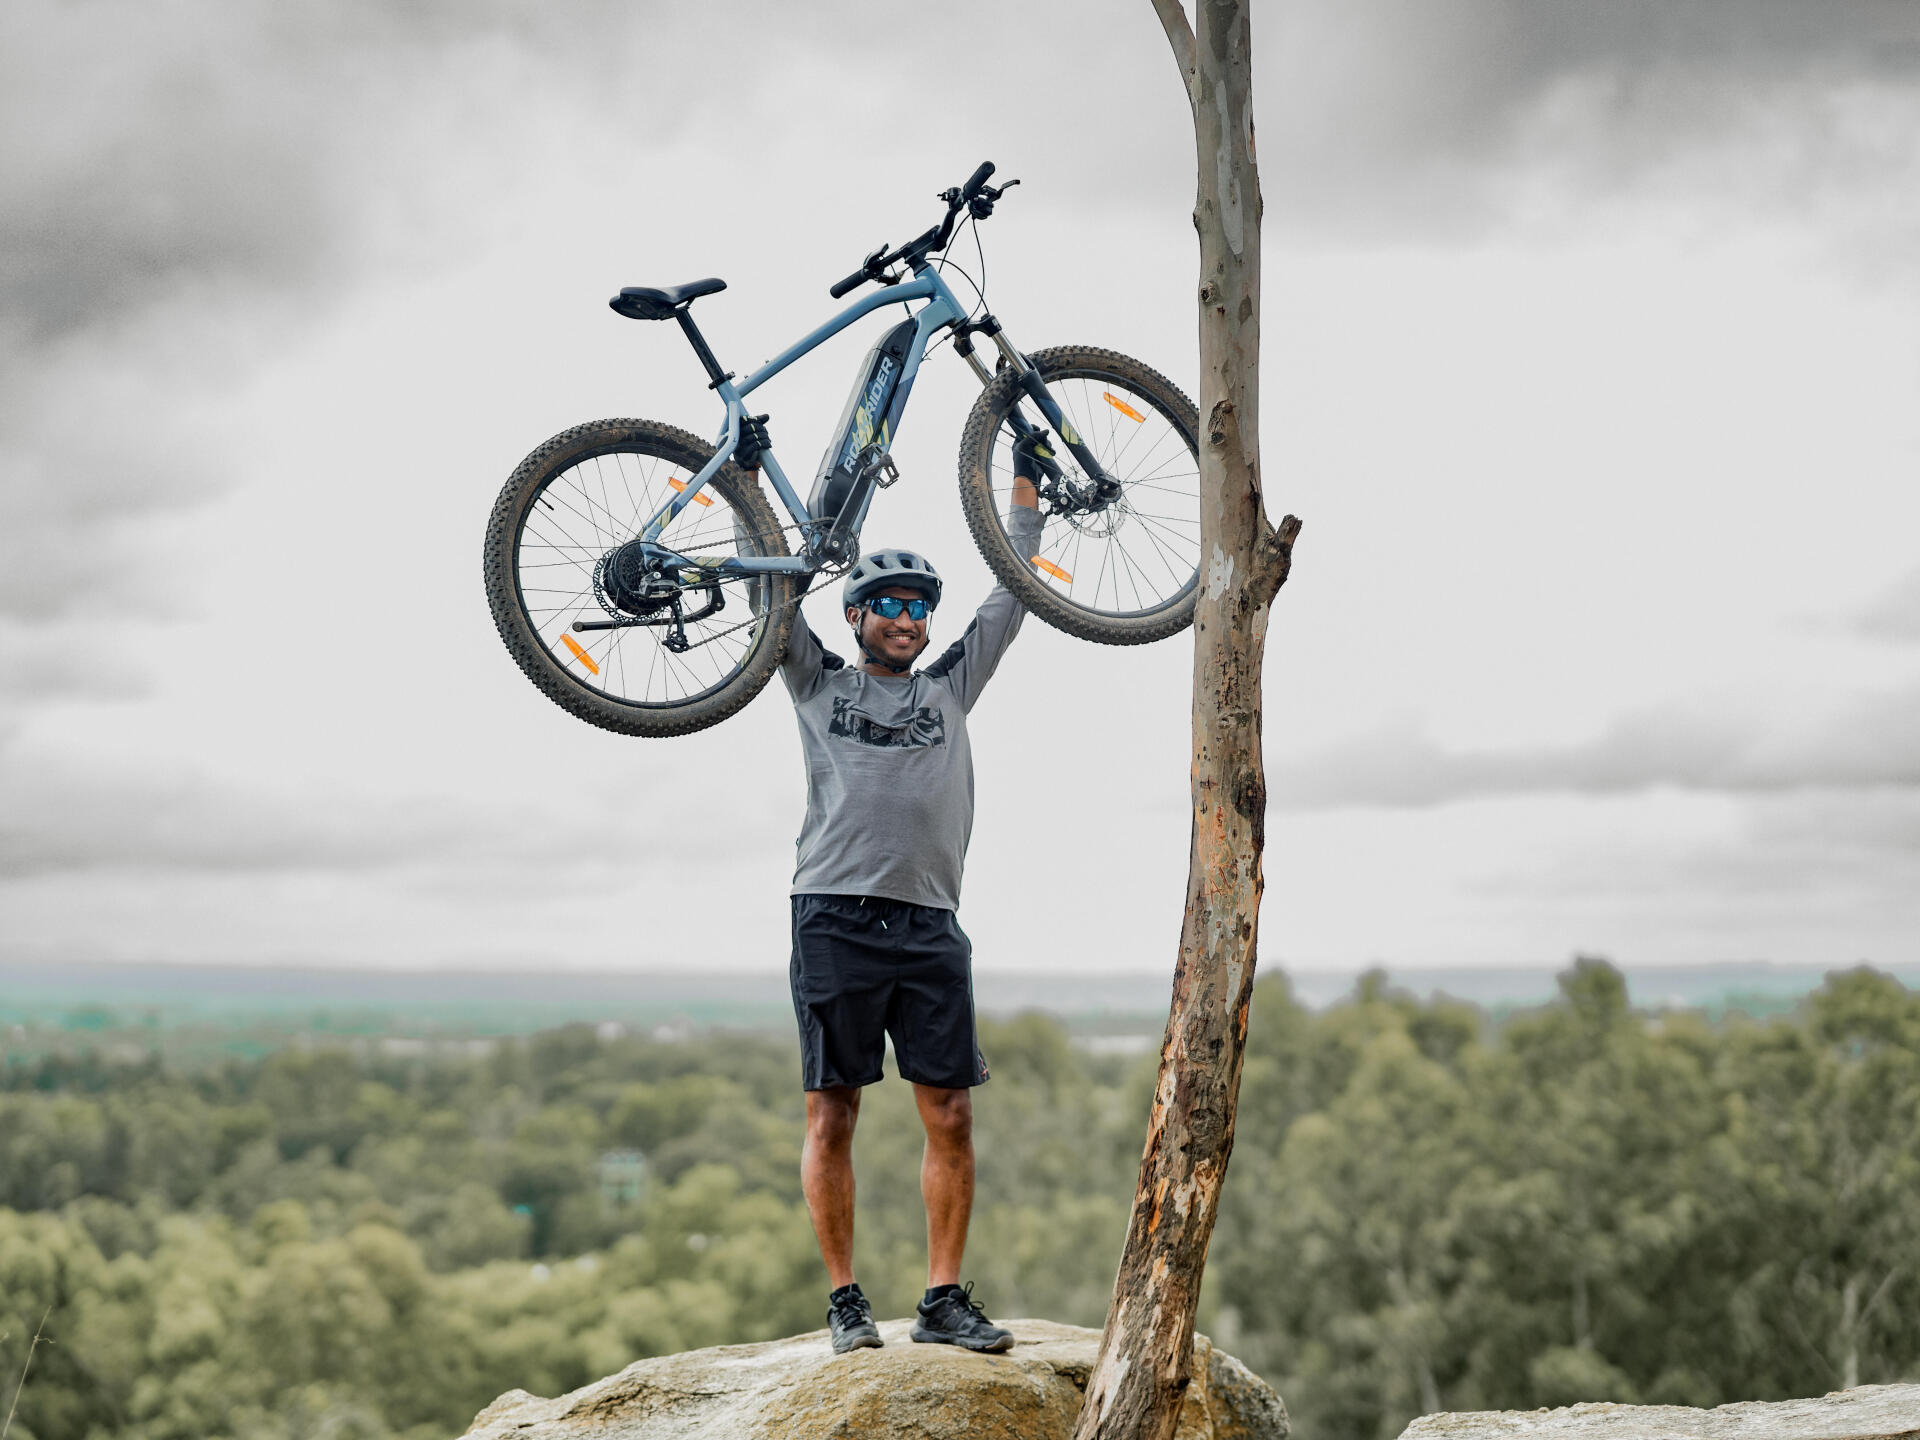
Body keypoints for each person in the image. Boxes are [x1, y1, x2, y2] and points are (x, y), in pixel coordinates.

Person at [778, 477, 1042, 1355]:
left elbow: (1013, 593)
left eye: (919, 604)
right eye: (887, 603)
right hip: (833, 915)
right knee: (833, 1112)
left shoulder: (948, 691)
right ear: (856, 617)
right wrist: (748, 480)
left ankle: (940, 1302)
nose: (906, 616)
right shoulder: (816, 682)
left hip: (929, 922)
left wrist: (1027, 486)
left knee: (953, 1116)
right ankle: (846, 1300)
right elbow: (769, 599)